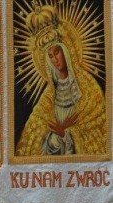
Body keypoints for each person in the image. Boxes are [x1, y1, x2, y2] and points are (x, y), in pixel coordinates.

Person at [15, 4, 107, 156]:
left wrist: (67, 134)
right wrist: (56, 137)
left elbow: (99, 132)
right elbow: (33, 139)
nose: (55, 59)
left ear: (67, 50)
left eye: (56, 52)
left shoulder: (89, 89)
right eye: (50, 56)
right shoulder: (48, 97)